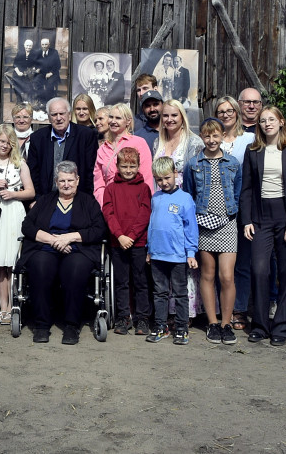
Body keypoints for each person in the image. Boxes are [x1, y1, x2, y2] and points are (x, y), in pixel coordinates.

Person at [16, 161, 107, 344]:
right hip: (45, 247)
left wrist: (71, 237)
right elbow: (27, 226)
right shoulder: (45, 200)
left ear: (78, 180)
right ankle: (42, 325)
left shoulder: (88, 202)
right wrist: (54, 240)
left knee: (76, 269)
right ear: (56, 181)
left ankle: (71, 325)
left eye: (70, 180)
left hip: (78, 249)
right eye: (62, 180)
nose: (66, 184)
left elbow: (99, 230)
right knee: (40, 266)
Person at [241, 105, 286, 346]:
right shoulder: (253, 152)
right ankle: (260, 325)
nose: (267, 123)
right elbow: (247, 189)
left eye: (271, 119)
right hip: (261, 218)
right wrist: (247, 219)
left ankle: (282, 326)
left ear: (281, 122)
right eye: (262, 120)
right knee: (259, 270)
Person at [183, 118, 242, 346]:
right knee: (207, 275)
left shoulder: (233, 163)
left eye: (215, 135)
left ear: (222, 136)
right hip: (204, 224)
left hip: (227, 223)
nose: (211, 140)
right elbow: (189, 194)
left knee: (226, 276)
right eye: (207, 136)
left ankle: (227, 324)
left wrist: (231, 215)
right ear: (202, 138)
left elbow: (237, 192)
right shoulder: (193, 163)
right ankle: (213, 323)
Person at [0, 125, 35, 324]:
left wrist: (13, 194)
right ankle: (3, 308)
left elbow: (30, 192)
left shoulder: (20, 163)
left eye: (8, 142)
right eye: (1, 141)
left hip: (13, 212)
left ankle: (14, 308)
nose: (4, 145)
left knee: (12, 262)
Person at [214, 94, 257, 330]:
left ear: (237, 113)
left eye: (230, 110)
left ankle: (239, 309)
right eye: (221, 111)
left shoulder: (249, 139)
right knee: (217, 262)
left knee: (241, 262)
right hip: (215, 209)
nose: (226, 115)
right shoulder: (210, 139)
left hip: (242, 208)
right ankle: (219, 309)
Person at [145, 157, 198, 345]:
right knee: (159, 293)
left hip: (177, 256)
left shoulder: (185, 199)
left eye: (167, 177)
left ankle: (182, 328)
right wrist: (149, 250)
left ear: (175, 174)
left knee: (180, 293)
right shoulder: (156, 197)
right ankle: (161, 326)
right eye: (159, 179)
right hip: (157, 254)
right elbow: (152, 225)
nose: (164, 182)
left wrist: (191, 252)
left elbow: (191, 228)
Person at [101, 147, 152, 336]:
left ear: (139, 166)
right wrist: (120, 235)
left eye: (132, 166)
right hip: (118, 242)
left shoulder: (144, 188)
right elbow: (109, 213)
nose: (129, 170)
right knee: (121, 282)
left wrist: (131, 236)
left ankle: (142, 318)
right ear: (117, 166)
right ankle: (123, 316)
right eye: (124, 166)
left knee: (140, 281)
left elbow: (145, 213)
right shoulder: (111, 189)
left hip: (138, 242)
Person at [26, 98, 98, 198]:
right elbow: (33, 172)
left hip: (77, 199)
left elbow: (90, 171)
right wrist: (36, 200)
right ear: (49, 117)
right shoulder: (37, 138)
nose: (58, 118)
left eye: (62, 113)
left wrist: (86, 201)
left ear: (69, 115)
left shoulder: (86, 135)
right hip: (45, 200)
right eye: (54, 115)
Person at [93, 102, 155, 204]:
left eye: (118, 118)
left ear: (128, 121)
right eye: (111, 117)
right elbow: (98, 183)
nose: (113, 121)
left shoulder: (139, 143)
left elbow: (147, 179)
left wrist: (143, 205)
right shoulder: (102, 149)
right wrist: (105, 203)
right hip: (109, 205)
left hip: (133, 203)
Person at [8, 38, 39, 105]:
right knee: (16, 81)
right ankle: (19, 99)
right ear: (24, 45)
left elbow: (36, 65)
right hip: (19, 71)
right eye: (27, 45)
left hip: (29, 72)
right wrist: (18, 72)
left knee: (29, 84)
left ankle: (29, 99)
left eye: (30, 46)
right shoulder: (20, 52)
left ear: (32, 46)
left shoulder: (35, 53)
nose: (28, 47)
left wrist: (31, 71)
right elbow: (15, 64)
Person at [32, 37, 61, 106]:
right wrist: (37, 68)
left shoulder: (54, 52)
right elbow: (35, 63)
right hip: (42, 73)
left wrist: (51, 73)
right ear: (41, 45)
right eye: (43, 44)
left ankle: (49, 101)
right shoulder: (38, 52)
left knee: (49, 84)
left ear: (49, 45)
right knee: (36, 81)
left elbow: (58, 65)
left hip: (52, 73)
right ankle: (41, 100)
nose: (44, 46)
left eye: (46, 44)